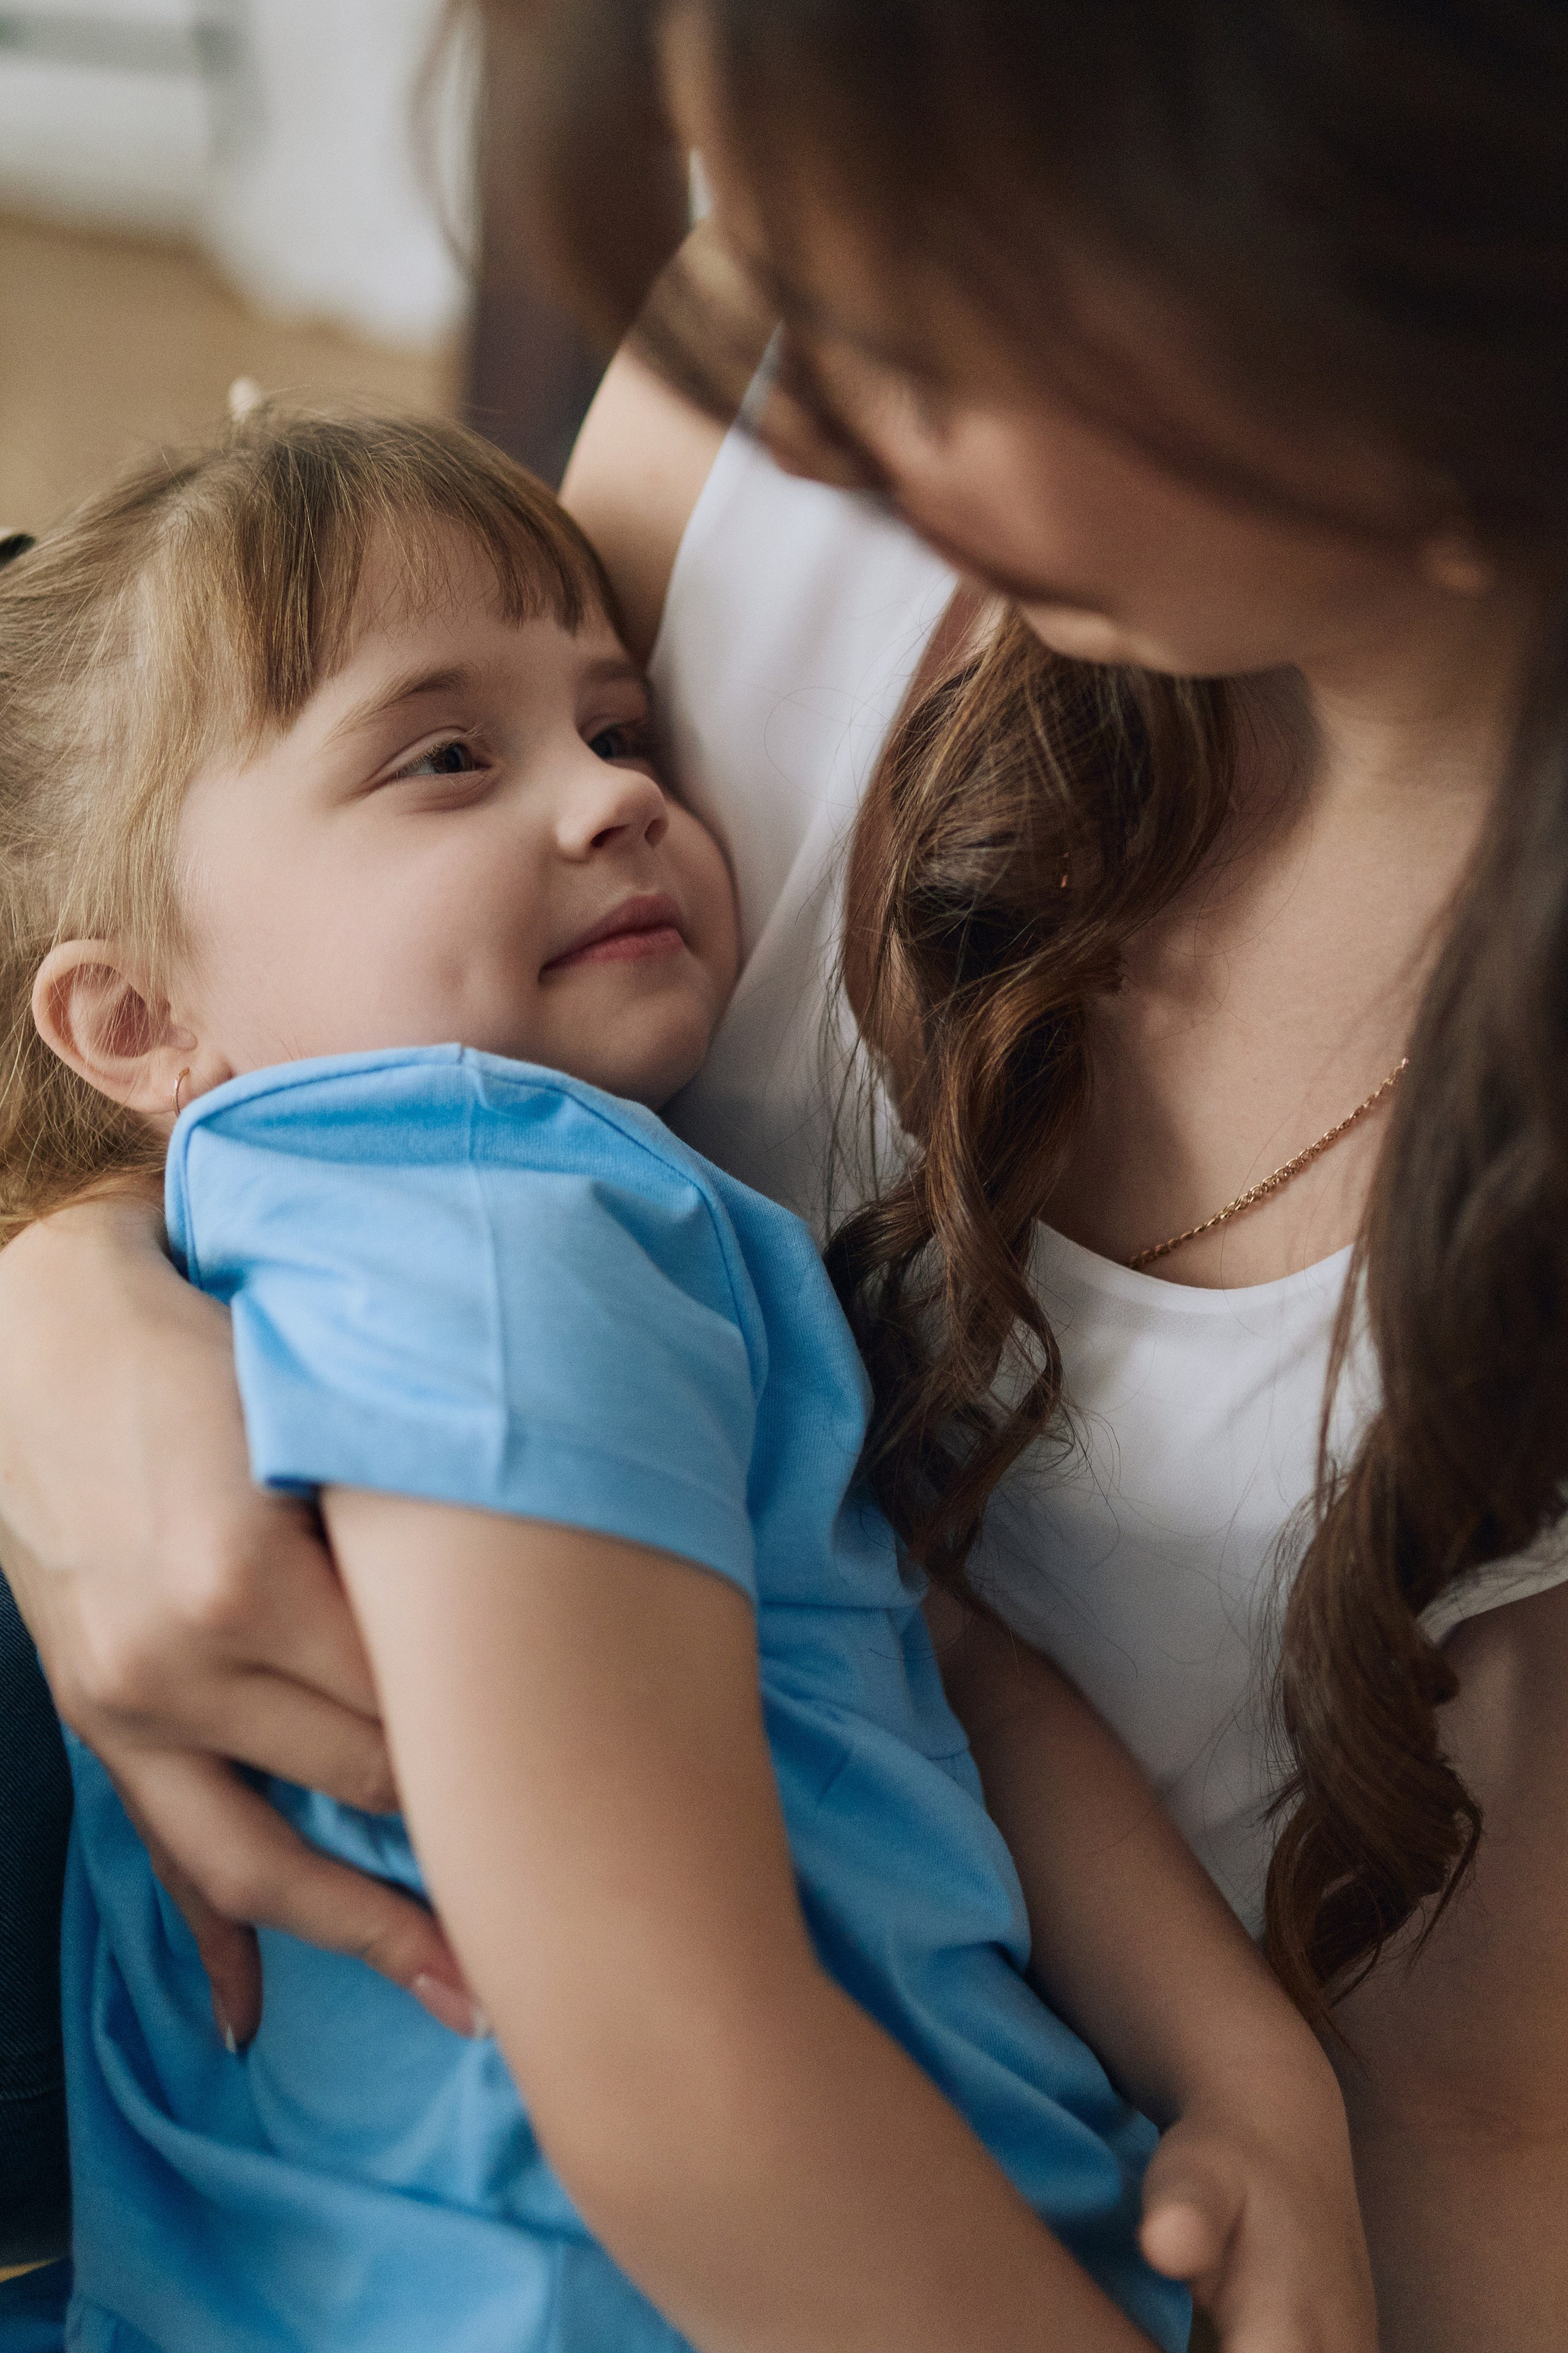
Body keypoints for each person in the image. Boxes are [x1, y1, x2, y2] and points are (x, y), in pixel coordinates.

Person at [1, 4, 1564, 2346]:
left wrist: (1246, 2077)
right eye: (451, 761)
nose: (620, 791)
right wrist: (62, 1275)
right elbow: (659, 2062)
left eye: (621, 724)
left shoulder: (620, 1210)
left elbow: (949, 1651)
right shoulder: (499, 1206)